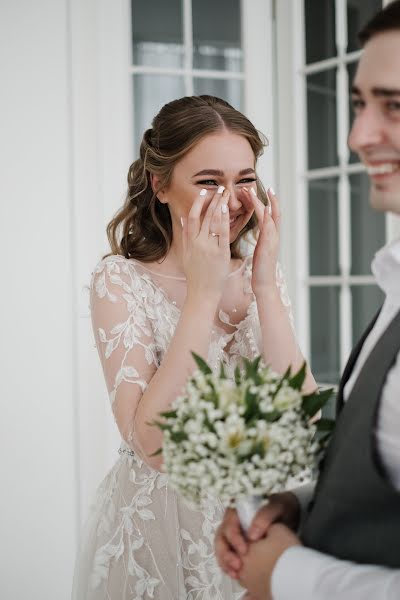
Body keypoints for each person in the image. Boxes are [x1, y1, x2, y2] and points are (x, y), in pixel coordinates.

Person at [72, 94, 315, 599]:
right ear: (160, 185)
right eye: (209, 181)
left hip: (251, 524)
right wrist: (202, 295)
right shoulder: (119, 280)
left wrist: (266, 287)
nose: (232, 201)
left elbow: (304, 417)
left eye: (244, 179)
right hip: (157, 526)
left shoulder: (259, 276)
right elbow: (151, 443)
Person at [214, 2, 400, 599]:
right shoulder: (392, 280)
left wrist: (289, 575)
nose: (357, 136)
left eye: (394, 106)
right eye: (358, 104)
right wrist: (300, 504)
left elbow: (298, 401)